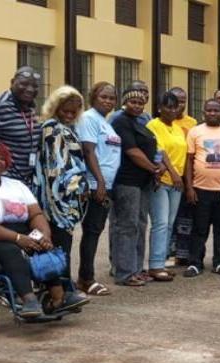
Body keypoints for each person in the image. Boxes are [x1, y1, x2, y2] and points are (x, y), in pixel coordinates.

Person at [0, 141, 87, 318]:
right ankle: (29, 300)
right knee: (11, 250)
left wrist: (42, 236)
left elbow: (35, 214)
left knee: (42, 245)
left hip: (21, 231)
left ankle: (58, 298)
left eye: (1, 158)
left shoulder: (16, 185)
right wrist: (17, 238)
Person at [183, 100, 220, 277]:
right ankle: (195, 263)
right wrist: (189, 187)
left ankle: (219, 261)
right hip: (200, 189)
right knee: (199, 228)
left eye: (216, 111)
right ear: (203, 113)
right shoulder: (195, 131)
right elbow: (189, 161)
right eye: (209, 110)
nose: (212, 113)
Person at [34, 85, 89, 277]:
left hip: (66, 196)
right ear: (55, 107)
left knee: (62, 242)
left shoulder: (64, 128)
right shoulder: (53, 129)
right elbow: (57, 167)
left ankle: (61, 283)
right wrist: (79, 186)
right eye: (65, 111)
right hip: (57, 198)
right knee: (59, 242)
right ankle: (60, 284)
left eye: (74, 112)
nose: (69, 115)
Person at [109, 88, 161, 286]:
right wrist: (153, 169)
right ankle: (124, 272)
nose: (137, 106)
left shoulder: (141, 122)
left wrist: (155, 169)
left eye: (140, 103)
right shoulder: (120, 121)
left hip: (143, 182)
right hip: (127, 181)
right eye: (133, 102)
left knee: (140, 224)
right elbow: (132, 151)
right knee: (127, 226)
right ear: (124, 103)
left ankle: (137, 269)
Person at [75, 82, 121, 296]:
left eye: (112, 98)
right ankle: (86, 278)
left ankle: (85, 277)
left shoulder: (105, 122)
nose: (108, 101)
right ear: (93, 97)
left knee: (95, 230)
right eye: (104, 97)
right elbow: (88, 151)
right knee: (92, 231)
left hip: (106, 184)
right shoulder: (89, 119)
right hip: (95, 185)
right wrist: (100, 182)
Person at [145, 91, 187, 281]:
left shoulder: (177, 128)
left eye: (175, 107)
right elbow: (160, 151)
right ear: (159, 108)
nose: (172, 110)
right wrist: (174, 173)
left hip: (177, 183)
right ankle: (154, 266)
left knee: (170, 224)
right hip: (161, 181)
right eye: (168, 107)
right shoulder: (153, 125)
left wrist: (181, 177)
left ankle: (161, 262)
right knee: (160, 223)